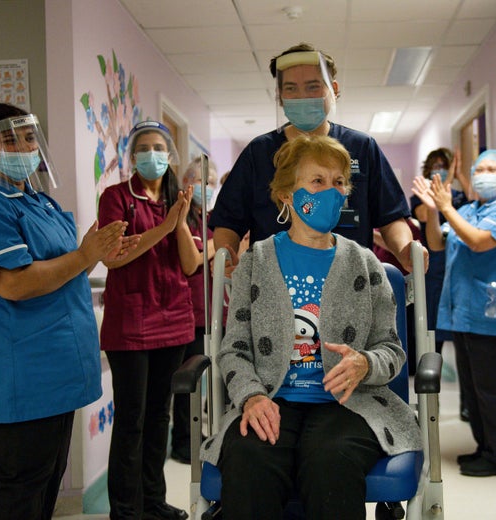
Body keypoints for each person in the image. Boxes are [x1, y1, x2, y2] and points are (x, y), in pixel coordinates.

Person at [199, 135, 422, 519]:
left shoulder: (365, 264)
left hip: (349, 404)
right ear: (287, 194)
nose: (331, 192)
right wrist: (251, 396)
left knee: (330, 460)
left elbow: (391, 349)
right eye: (317, 181)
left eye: (338, 182)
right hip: (271, 396)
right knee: (250, 457)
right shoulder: (257, 261)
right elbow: (234, 348)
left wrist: (365, 363)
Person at [0, 102, 138, 520]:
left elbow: (64, 271)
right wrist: (84, 254)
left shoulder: (37, 201)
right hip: (23, 371)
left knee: (47, 479)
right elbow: (14, 283)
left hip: (57, 369)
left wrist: (95, 253)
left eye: (29, 138)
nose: (23, 147)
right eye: (9, 139)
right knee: (22, 486)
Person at [208, 42, 423, 273]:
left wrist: (404, 250)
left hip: (350, 283)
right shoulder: (259, 153)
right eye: (291, 88)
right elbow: (228, 221)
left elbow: (391, 217)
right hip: (274, 284)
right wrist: (227, 257)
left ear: (334, 89)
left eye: (313, 87)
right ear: (279, 96)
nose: (302, 97)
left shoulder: (361, 148)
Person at [98, 120, 201, 520]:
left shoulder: (179, 198)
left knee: (160, 416)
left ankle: (153, 503)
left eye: (160, 147)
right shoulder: (116, 198)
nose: (152, 154)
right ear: (132, 157)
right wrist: (166, 223)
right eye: (144, 148)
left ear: (170, 156)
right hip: (130, 325)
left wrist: (178, 219)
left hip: (173, 320)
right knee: (131, 420)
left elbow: (190, 265)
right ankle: (125, 510)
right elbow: (114, 256)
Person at [412, 149, 496, 477]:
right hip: (464, 315)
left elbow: (478, 242)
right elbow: (435, 244)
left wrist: (448, 207)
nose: (484, 174)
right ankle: (485, 448)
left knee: (493, 390)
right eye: (480, 168)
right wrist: (434, 212)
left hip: (494, 316)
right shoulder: (471, 211)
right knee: (474, 390)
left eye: (492, 168)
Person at [410, 148, 470, 391]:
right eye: (434, 165)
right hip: (433, 266)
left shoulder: (457, 195)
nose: (439, 169)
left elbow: (474, 201)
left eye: (444, 165)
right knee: (432, 326)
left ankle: (467, 396)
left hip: (458, 264)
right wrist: (442, 185)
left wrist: (460, 175)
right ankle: (429, 382)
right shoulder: (421, 196)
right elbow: (424, 216)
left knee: (461, 329)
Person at [170, 156, 217, 464]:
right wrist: (216, 248)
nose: (206, 187)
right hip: (185, 312)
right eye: (200, 181)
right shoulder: (182, 220)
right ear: (186, 183)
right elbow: (193, 262)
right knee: (186, 382)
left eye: (210, 183)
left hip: (208, 312)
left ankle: (196, 436)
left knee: (202, 381)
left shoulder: (208, 220)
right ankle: (183, 443)